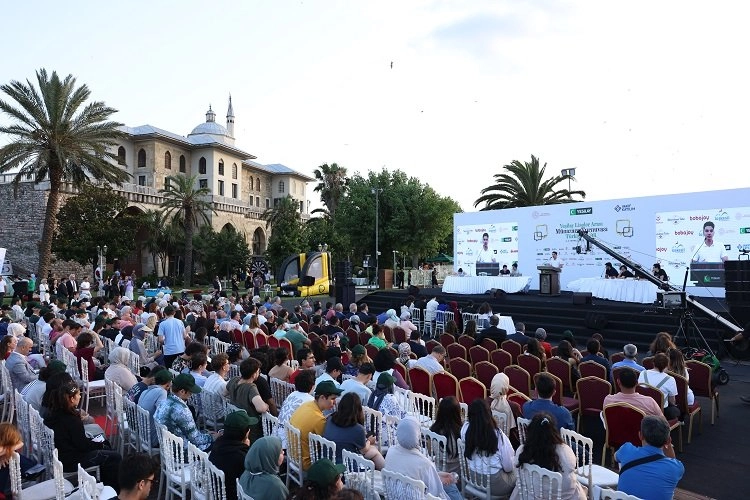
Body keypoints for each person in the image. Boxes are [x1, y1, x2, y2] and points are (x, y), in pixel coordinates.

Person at [44, 378, 122, 489]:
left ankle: (104, 483)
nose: (80, 397)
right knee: (115, 456)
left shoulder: (53, 413)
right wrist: (100, 444)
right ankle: (112, 489)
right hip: (71, 461)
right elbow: (83, 445)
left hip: (62, 456)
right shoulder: (71, 419)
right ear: (72, 399)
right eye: (78, 395)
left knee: (105, 447)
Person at [510, 412, 587, 500]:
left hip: (532, 495)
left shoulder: (522, 450)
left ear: (531, 431)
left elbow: (516, 468)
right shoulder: (565, 450)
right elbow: (571, 467)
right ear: (554, 430)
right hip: (564, 496)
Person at [385, 416, 459, 500]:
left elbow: (409, 474)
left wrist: (437, 476)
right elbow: (435, 492)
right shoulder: (424, 463)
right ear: (417, 435)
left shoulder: (390, 452)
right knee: (451, 487)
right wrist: (440, 480)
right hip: (416, 496)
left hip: (395, 496)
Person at [615, 415, 685, 500]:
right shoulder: (676, 468)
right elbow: (673, 461)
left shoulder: (626, 450)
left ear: (640, 435)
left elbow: (616, 457)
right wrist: (669, 445)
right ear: (668, 440)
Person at [461, 399, 516, 496]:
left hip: (473, 478)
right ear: (489, 414)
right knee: (519, 470)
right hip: (495, 484)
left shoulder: (465, 429)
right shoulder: (498, 435)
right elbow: (508, 467)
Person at [153, 373, 216, 451]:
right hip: (183, 452)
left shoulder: (164, 402)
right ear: (182, 391)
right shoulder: (182, 410)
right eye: (190, 392)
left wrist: (206, 433)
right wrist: (213, 437)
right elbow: (196, 439)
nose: (191, 394)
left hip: (168, 448)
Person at [289, 380, 343, 470]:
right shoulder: (319, 419)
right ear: (322, 397)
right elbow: (327, 444)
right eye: (332, 399)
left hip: (293, 454)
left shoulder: (307, 405)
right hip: (306, 462)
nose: (334, 402)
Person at [324, 392, 385, 469]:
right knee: (374, 451)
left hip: (329, 459)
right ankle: (386, 472)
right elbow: (364, 450)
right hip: (347, 464)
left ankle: (386, 472)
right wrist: (369, 441)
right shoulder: (357, 429)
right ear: (358, 409)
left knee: (373, 450)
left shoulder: (330, 419)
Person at [209, 410, 258, 499]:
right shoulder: (242, 457)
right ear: (246, 432)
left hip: (217, 492)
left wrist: (244, 447)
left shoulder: (218, 444)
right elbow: (251, 484)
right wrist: (246, 448)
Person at [227, 357, 268, 442]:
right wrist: (266, 405)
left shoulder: (234, 380)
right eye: (258, 371)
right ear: (254, 374)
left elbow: (224, 393)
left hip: (236, 421)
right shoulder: (251, 388)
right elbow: (261, 408)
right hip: (250, 427)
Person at [239, 436, 288, 500]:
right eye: (280, 452)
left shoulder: (246, 475)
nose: (283, 452)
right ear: (269, 457)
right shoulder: (275, 486)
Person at [638, 353, 680, 419]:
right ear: (667, 365)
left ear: (653, 363)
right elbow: (672, 401)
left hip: (643, 407)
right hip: (661, 410)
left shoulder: (643, 373)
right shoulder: (670, 379)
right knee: (676, 411)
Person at [430, 396, 462, 474]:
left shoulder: (433, 430)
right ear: (457, 412)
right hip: (458, 472)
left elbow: (430, 452)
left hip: (438, 472)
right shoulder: (461, 431)